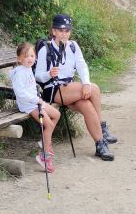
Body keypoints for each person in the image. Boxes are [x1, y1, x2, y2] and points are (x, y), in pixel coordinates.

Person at [35, 14, 117, 161]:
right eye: (60, 30)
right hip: (53, 89)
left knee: (87, 106)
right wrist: (49, 73)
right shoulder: (45, 49)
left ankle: (100, 145)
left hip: (70, 88)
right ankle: (102, 127)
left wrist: (85, 83)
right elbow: (37, 76)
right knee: (95, 89)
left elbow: (81, 65)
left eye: (67, 31)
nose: (64, 34)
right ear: (53, 31)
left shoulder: (73, 46)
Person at [10, 42, 60, 173]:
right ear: (19, 58)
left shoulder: (28, 69)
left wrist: (37, 97)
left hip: (35, 101)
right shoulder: (20, 73)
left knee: (56, 114)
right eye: (26, 56)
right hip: (29, 105)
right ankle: (44, 154)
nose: (30, 58)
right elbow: (20, 93)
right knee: (48, 125)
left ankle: (45, 142)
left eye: (32, 55)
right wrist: (36, 99)